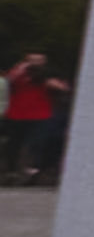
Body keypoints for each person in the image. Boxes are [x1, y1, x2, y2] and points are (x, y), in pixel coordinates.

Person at [1, 55, 61, 186]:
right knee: (14, 144)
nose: (36, 64)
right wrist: (22, 69)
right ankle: (12, 171)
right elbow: (8, 82)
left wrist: (49, 80)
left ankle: (34, 170)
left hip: (41, 115)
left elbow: (61, 87)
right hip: (16, 114)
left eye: (39, 61)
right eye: (32, 61)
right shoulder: (17, 73)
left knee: (37, 143)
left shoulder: (48, 74)